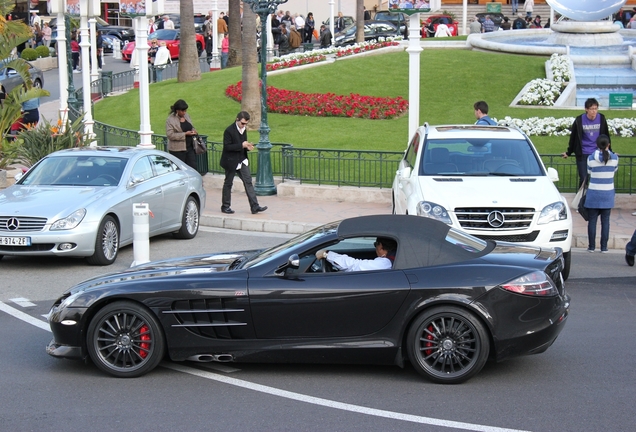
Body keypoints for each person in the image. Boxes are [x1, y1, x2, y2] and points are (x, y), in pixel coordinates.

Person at [220, 111, 268, 215]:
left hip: (241, 160)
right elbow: (227, 147)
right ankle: (225, 206)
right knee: (228, 183)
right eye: (242, 123)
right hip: (230, 161)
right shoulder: (229, 130)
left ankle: (254, 206)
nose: (244, 125)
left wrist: (247, 148)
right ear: (237, 119)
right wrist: (242, 145)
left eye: (246, 124)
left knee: (248, 182)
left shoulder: (243, 129)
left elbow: (243, 145)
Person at [562, 98, 611, 187]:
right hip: (583, 153)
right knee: (584, 178)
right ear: (586, 109)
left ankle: (594, 197)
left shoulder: (602, 118)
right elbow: (573, 138)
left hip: (597, 153)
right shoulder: (579, 120)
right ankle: (582, 198)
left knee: (596, 177)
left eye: (595, 109)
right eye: (592, 109)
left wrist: (610, 151)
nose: (594, 111)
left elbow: (606, 136)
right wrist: (568, 152)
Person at [584, 135, 618, 253]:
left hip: (593, 193)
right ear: (608, 145)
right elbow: (614, 169)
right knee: (606, 221)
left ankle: (591, 246)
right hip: (607, 193)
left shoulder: (591, 158)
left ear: (596, 145)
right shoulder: (614, 158)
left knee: (592, 221)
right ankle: (604, 247)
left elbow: (589, 171)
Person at [315, 237, 397, 272]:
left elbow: (355, 266)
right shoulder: (393, 259)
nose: (375, 247)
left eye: (376, 244)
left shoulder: (385, 263)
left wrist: (327, 254)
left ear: (381, 246)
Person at [166, 99, 198, 170]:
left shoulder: (186, 116)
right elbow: (170, 135)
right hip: (177, 150)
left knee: (193, 168)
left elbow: (190, 126)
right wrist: (184, 134)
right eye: (182, 111)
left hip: (189, 148)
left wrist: (193, 131)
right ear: (177, 110)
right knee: (180, 170)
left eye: (185, 110)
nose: (184, 112)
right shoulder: (170, 120)